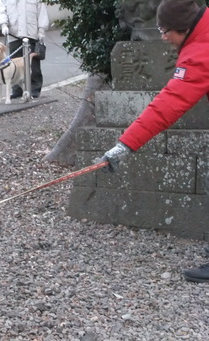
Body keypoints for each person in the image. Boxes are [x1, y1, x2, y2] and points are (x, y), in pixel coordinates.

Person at [100, 0, 209, 282]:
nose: (162, 37)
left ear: (184, 29)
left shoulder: (201, 52)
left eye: (165, 30)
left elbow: (168, 104)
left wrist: (124, 145)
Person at [0, 0, 49, 99]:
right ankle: (17, 89)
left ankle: (34, 89)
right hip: (14, 34)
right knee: (14, 65)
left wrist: (41, 30)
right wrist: (3, 25)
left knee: (33, 64)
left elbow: (42, 12)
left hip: (31, 33)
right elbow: (1, 11)